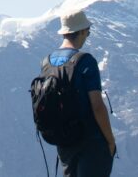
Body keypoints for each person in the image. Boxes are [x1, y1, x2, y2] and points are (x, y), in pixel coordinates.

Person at [49, 9, 116, 177]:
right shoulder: (85, 61)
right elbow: (97, 106)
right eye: (88, 32)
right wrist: (110, 141)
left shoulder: (48, 62)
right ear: (81, 32)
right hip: (91, 142)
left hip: (65, 142)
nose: (87, 36)